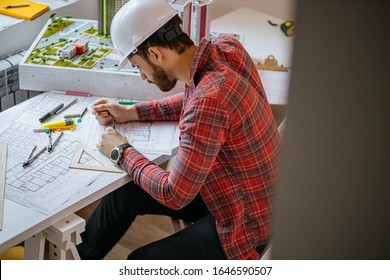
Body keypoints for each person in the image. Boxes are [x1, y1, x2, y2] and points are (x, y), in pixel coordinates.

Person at [77, 0, 281, 260]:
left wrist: (121, 151)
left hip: (247, 225)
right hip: (252, 195)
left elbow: (174, 195)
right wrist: (132, 112)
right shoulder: (227, 49)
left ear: (156, 54)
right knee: (122, 196)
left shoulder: (208, 102)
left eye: (138, 66)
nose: (142, 76)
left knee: (140, 261)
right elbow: (193, 100)